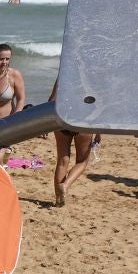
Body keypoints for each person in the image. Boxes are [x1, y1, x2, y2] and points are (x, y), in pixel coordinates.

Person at [48, 79, 97, 207]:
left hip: (63, 119)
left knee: (62, 161)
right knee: (82, 161)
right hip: (83, 121)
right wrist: (99, 132)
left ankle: (58, 201)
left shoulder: (64, 75)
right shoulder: (92, 79)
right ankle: (65, 185)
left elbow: (52, 100)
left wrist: (47, 124)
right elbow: (98, 106)